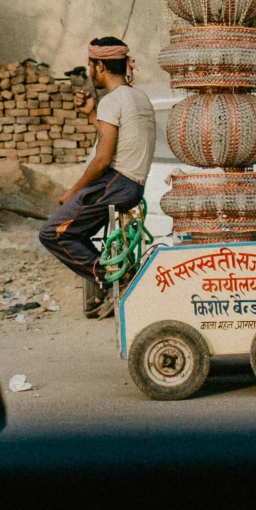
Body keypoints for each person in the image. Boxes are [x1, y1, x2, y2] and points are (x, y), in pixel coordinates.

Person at [41, 38, 157, 318]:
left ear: (100, 66)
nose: (90, 70)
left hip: (116, 182)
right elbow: (120, 138)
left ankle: (115, 278)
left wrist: (72, 191)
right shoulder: (137, 97)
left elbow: (103, 159)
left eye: (91, 65)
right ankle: (108, 283)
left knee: (53, 234)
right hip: (133, 186)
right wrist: (92, 114)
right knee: (74, 231)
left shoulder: (112, 100)